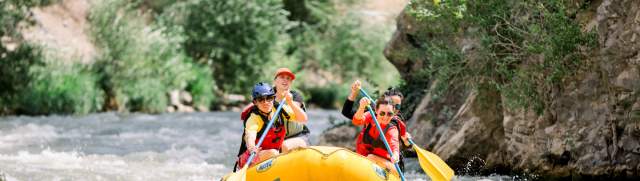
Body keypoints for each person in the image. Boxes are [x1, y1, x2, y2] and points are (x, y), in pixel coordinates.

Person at [341, 81, 412, 171]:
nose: (392, 109)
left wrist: (407, 143)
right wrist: (354, 93)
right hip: (367, 160)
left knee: (370, 157)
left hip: (390, 165)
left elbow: (399, 145)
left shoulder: (396, 123)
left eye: (397, 107)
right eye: (390, 103)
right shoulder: (372, 113)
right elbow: (347, 113)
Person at [234, 82, 308, 170]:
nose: (266, 102)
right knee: (273, 153)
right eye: (261, 99)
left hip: (273, 155)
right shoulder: (253, 118)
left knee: (299, 144)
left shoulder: (279, 109)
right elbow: (250, 136)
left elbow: (303, 119)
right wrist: (252, 147)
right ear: (255, 102)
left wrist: (290, 102)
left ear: (273, 98)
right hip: (251, 157)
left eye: (269, 98)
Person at [240, 68, 310, 153]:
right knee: (275, 149)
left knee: (284, 146)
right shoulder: (267, 94)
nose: (285, 80)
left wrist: (289, 102)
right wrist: (258, 103)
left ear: (291, 82)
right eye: (282, 77)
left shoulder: (295, 96)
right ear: (275, 81)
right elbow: (259, 104)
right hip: (277, 140)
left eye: (288, 78)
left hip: (297, 136)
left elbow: (301, 118)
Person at [352, 97, 401, 175]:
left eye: (389, 114)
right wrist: (362, 107)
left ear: (393, 114)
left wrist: (395, 156)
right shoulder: (370, 116)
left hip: (388, 167)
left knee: (371, 157)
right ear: (376, 111)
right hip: (364, 160)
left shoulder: (392, 130)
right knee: (366, 158)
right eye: (382, 113)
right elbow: (356, 121)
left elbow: (394, 145)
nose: (385, 117)